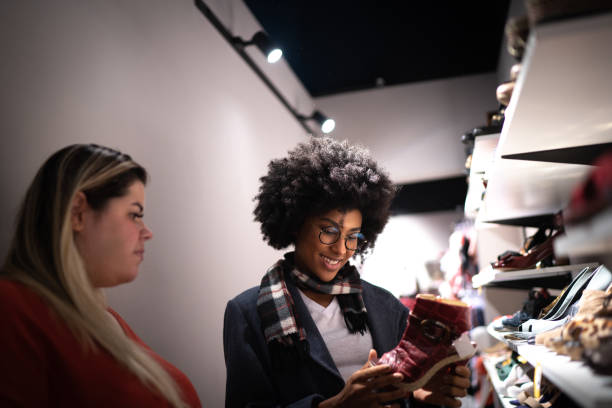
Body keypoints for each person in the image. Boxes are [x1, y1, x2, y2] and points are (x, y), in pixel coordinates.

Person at [224, 137, 471, 407]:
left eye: (353, 236)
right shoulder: (248, 313)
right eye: (329, 231)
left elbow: (404, 394)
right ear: (295, 223)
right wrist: (339, 405)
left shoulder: (385, 305)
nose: (341, 249)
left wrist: (425, 395)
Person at [0, 144, 201, 407]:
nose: (147, 232)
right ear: (78, 213)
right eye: (134, 214)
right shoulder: (13, 308)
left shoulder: (104, 319)